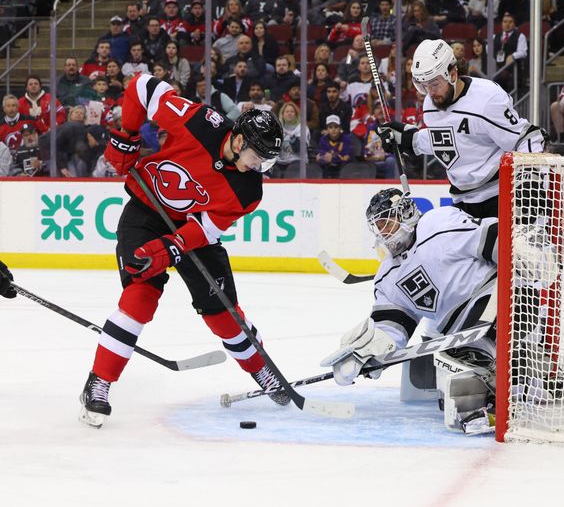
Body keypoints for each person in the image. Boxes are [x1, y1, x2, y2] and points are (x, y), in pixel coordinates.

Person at [79, 73, 289, 428]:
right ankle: (98, 384)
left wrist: (172, 248)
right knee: (140, 296)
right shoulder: (199, 121)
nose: (260, 168)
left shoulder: (248, 190)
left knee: (223, 313)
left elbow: (205, 230)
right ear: (238, 141)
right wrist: (127, 137)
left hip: (191, 231)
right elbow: (141, 87)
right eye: (257, 157)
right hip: (146, 212)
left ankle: (261, 369)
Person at [320, 188, 504, 434]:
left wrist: (522, 251)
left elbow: (490, 236)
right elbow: (393, 324)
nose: (383, 232)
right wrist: (367, 351)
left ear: (405, 213)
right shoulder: (387, 276)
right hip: (458, 331)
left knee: (476, 359)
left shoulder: (437, 223)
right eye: (378, 226)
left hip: (494, 295)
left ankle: (522, 383)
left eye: (387, 222)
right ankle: (497, 399)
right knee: (459, 369)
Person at [378, 39, 547, 219]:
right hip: (462, 201)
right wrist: (410, 140)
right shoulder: (431, 104)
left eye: (434, 84)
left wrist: (531, 178)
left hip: (499, 196)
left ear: (452, 74)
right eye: (424, 85)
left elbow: (527, 137)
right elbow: (449, 140)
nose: (430, 92)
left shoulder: (486, 99)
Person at [316, 114, 354, 178]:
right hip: (327, 169)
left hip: (342, 170)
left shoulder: (346, 139)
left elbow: (347, 157)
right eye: (330, 127)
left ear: (340, 128)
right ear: (327, 129)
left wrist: (333, 158)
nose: (333, 130)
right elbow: (321, 154)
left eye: (336, 127)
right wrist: (321, 158)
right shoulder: (323, 139)